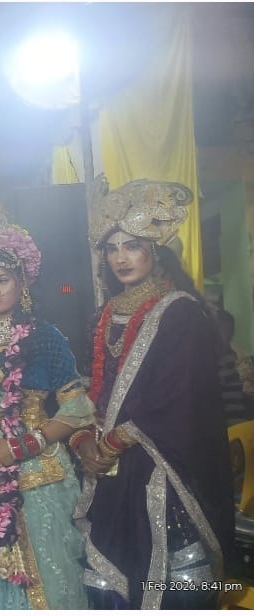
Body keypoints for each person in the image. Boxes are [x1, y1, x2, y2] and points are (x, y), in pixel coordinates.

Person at [73, 177, 236, 609]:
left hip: (162, 461)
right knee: (107, 576)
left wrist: (116, 439)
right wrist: (85, 438)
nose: (121, 258)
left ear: (155, 251)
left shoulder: (181, 312)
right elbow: (93, 389)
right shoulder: (104, 315)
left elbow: (182, 395)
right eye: (112, 249)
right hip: (110, 467)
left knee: (178, 569)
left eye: (132, 246)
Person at [0, 202, 92, 609]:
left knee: (46, 566)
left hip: (35, 471)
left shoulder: (45, 337)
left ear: (22, 282)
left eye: (3, 280)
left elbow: (77, 409)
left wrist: (22, 446)